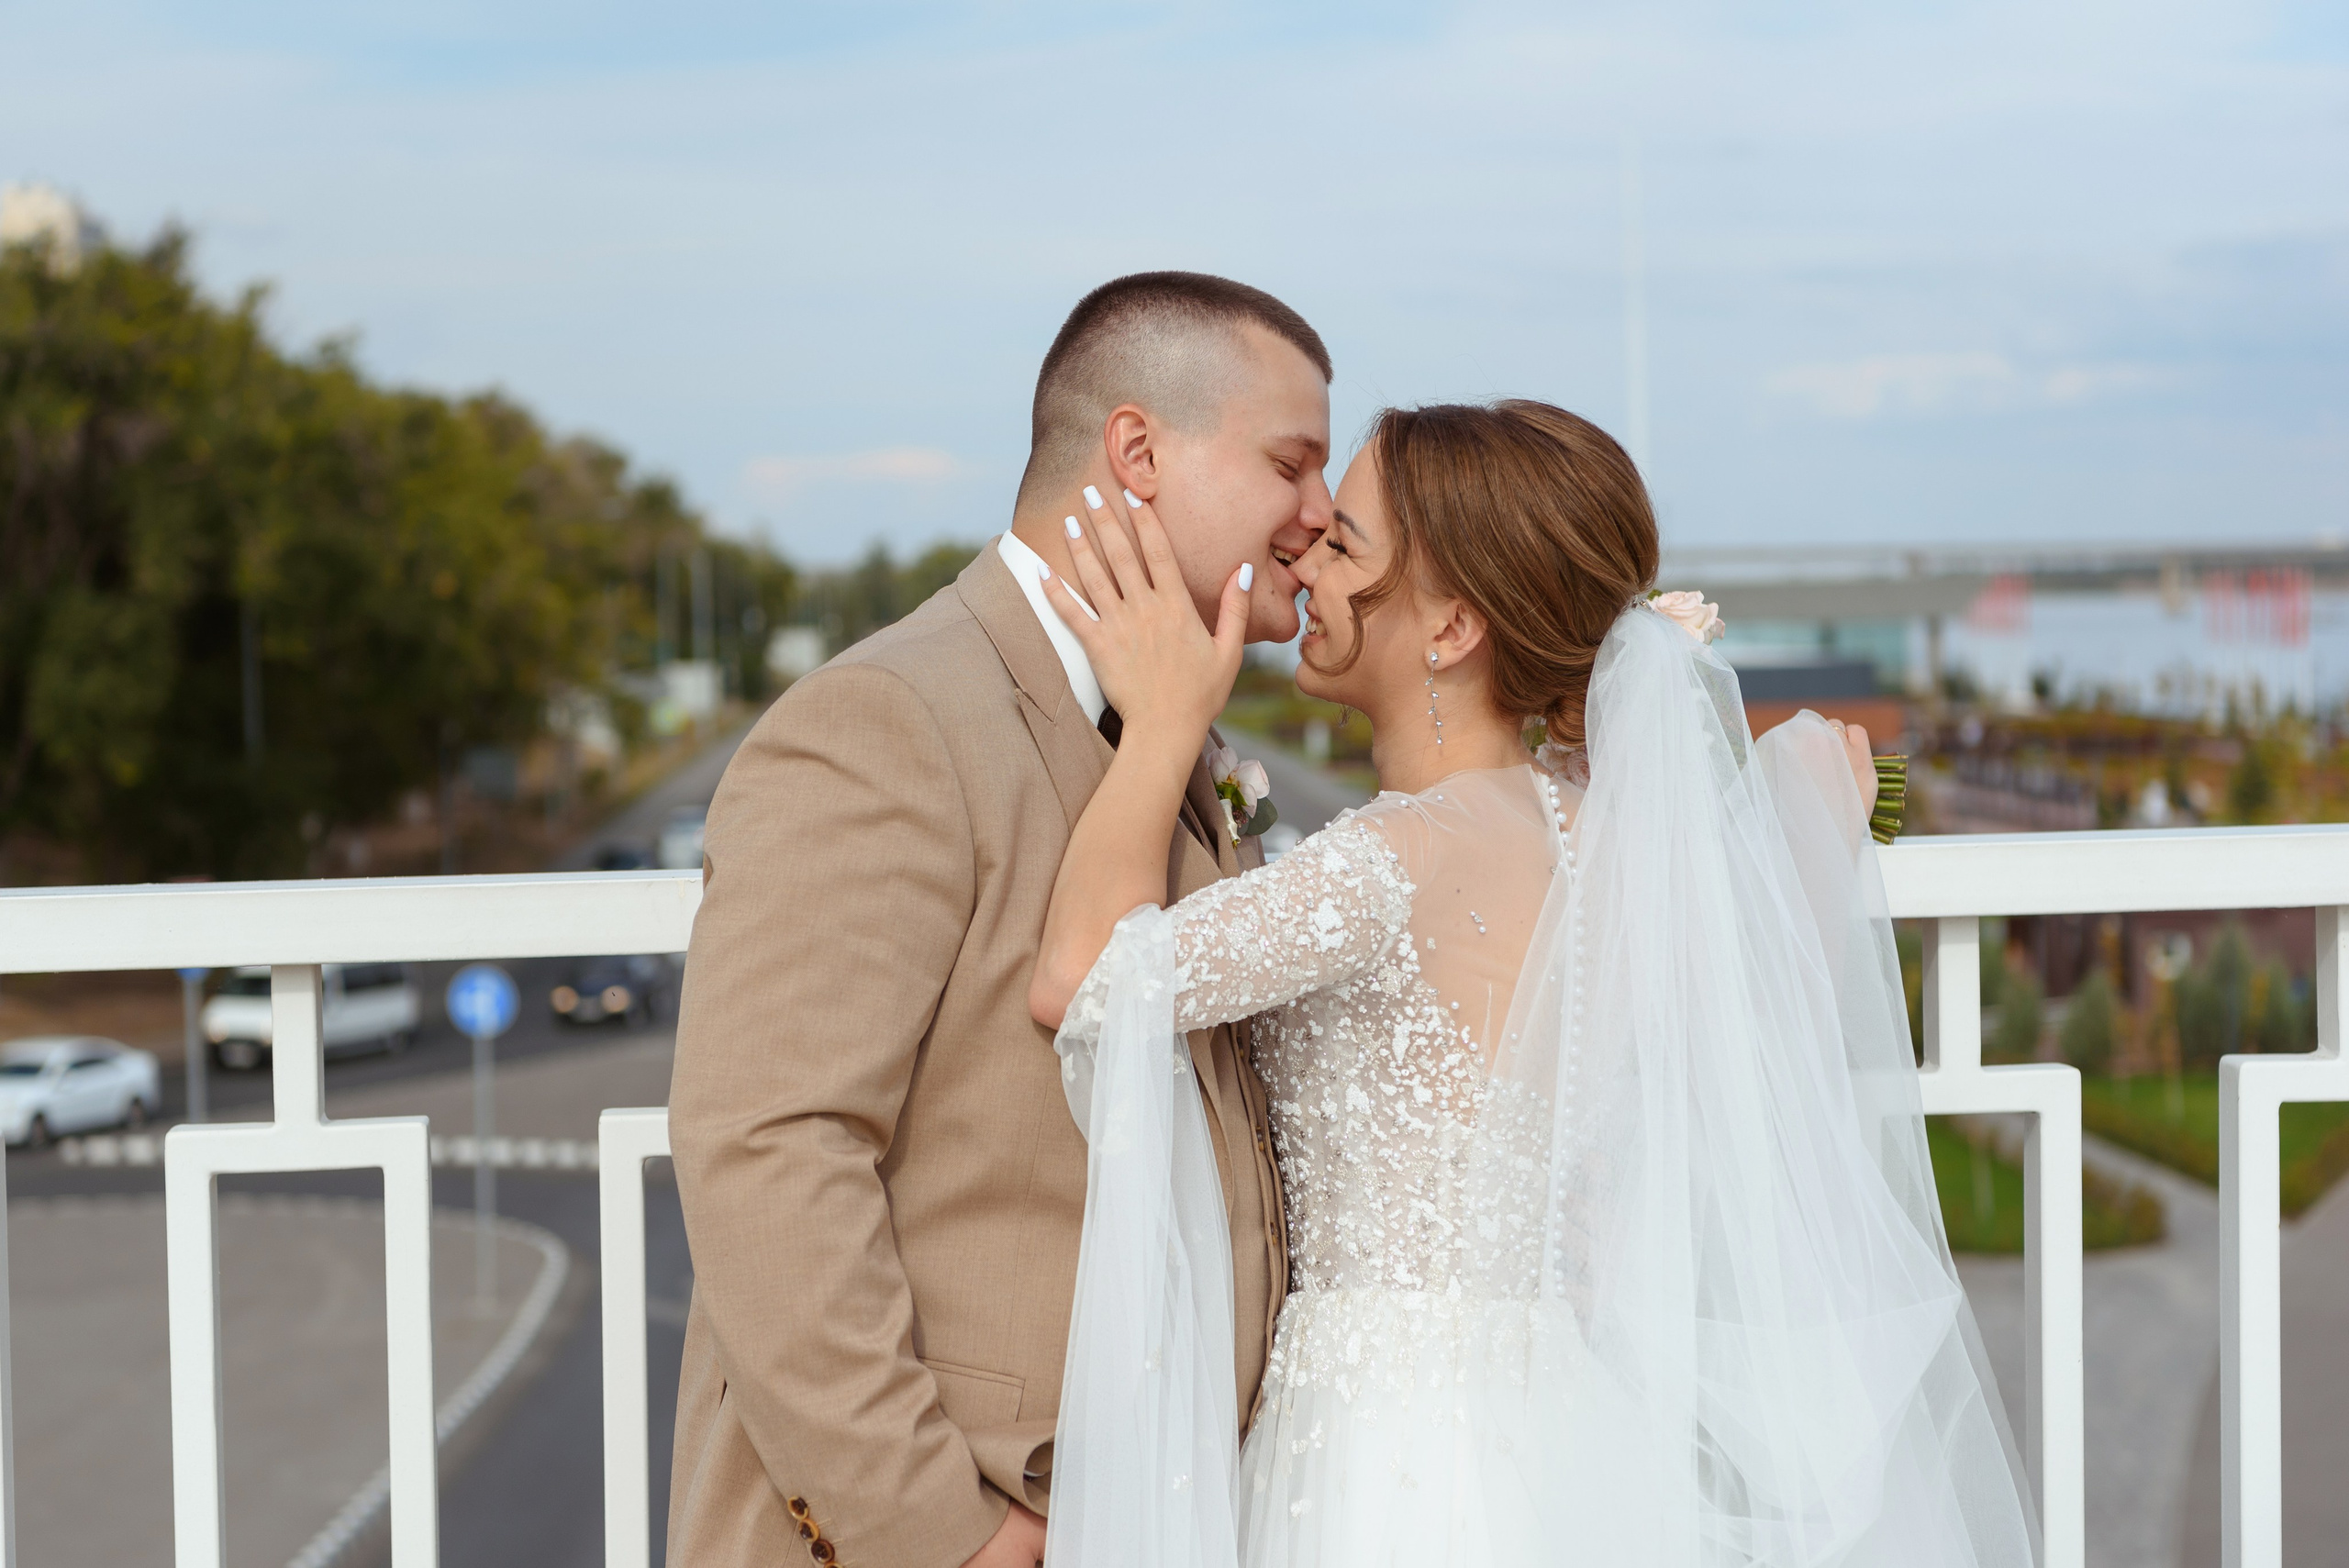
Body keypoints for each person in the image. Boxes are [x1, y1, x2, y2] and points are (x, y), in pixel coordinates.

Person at [1030, 399, 2039, 1566]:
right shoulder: (1605, 840)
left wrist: (1161, 724)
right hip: (1569, 1423)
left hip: (1381, 1439)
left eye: (1346, 544)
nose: (1303, 556)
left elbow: (1080, 979)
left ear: (1453, 626)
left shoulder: (1390, 859)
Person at [665, 272, 1332, 1568]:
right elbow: (766, 1148)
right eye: (1291, 464)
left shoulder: (1176, 729)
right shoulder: (886, 724)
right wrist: (937, 1532)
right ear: (1136, 451)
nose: (1323, 515)